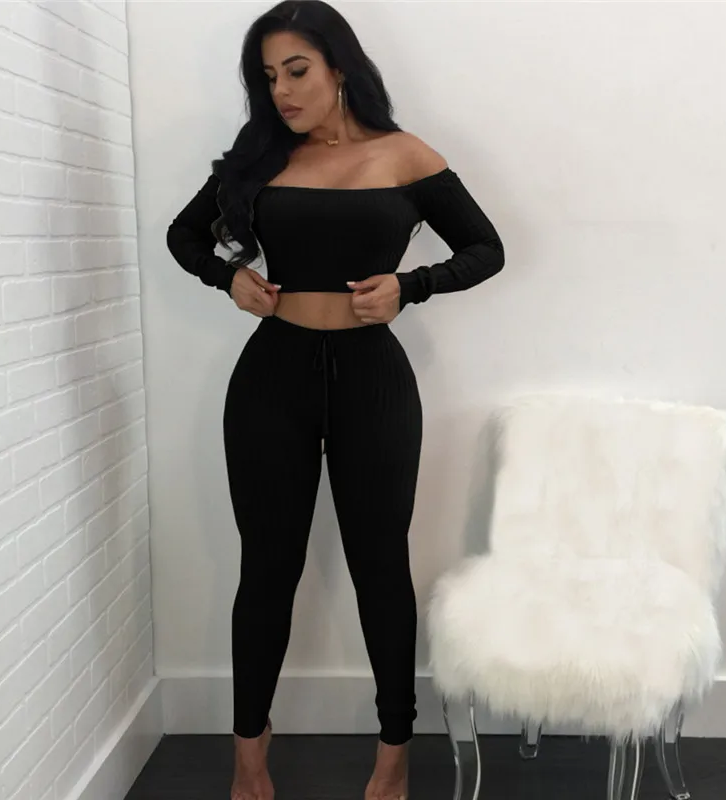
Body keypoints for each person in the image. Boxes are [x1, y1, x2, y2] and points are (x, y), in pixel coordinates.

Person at [165, 2, 504, 798]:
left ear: (339, 68)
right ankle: (249, 755)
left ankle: (394, 754)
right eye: (268, 77)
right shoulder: (259, 159)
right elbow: (184, 236)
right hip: (271, 378)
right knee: (266, 569)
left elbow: (485, 247)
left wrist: (412, 286)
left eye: (297, 71)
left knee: (380, 566)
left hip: (372, 382)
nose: (281, 91)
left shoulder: (405, 155)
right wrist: (229, 277)